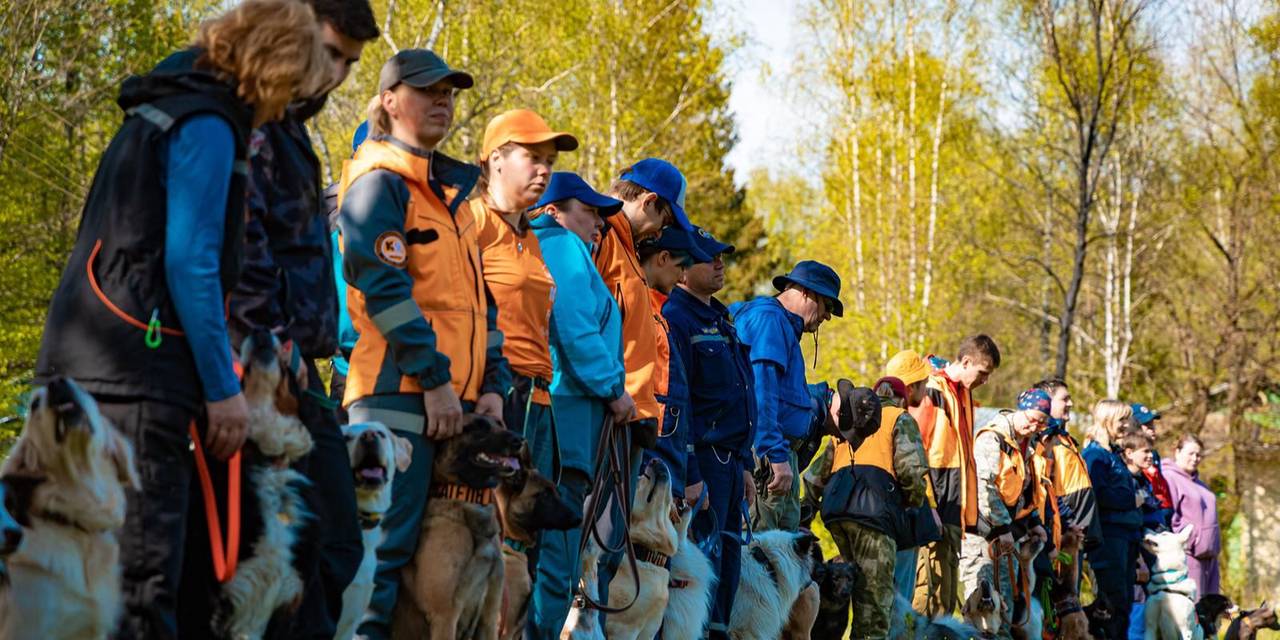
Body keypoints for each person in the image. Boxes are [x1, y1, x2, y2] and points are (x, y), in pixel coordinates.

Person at [31, 3, 330, 637]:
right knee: (142, 585)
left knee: (78, 580)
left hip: (85, 365)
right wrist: (222, 390)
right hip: (138, 381)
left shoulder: (161, 106)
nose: (289, 106)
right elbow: (192, 262)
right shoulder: (208, 122)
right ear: (276, 67)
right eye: (295, 87)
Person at [337, 49, 511, 640]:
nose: (443, 100)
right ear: (389, 101)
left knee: (434, 571)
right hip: (397, 397)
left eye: (449, 92)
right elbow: (382, 289)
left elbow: (481, 305)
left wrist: (492, 388)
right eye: (427, 90)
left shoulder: (452, 197)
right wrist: (435, 382)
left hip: (455, 406)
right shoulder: (378, 183)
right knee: (379, 561)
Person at [224, 2, 378, 634]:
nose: (336, 73)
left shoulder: (290, 128)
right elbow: (238, 243)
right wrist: (266, 341)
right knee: (260, 553)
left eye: (349, 62)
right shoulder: (244, 120)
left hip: (298, 365)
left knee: (331, 545)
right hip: (251, 364)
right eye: (330, 53)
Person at [527, 172, 634, 639]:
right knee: (560, 537)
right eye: (589, 211)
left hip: (567, 402)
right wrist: (614, 389)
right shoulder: (562, 247)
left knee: (559, 539)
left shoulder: (555, 246)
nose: (599, 222)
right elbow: (574, 328)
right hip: (570, 405)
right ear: (554, 211)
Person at [663, 226, 757, 640]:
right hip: (703, 464)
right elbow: (679, 400)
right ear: (683, 269)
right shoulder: (677, 319)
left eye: (721, 256)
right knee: (700, 573)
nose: (719, 264)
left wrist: (746, 465)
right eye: (708, 257)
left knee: (727, 571)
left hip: (731, 466)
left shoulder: (721, 319)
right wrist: (690, 471)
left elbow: (739, 397)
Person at [468, 109, 578, 433]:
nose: (545, 170)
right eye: (533, 157)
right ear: (496, 159)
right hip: (495, 393)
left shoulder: (529, 237)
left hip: (539, 396)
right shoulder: (470, 222)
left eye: (550, 161)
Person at [731, 260, 842, 532]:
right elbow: (761, 392)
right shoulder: (769, 320)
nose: (827, 316)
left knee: (783, 548)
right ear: (806, 292)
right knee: (762, 546)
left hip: (779, 455)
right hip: (768, 457)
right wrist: (775, 454)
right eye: (827, 305)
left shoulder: (782, 325)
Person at [821, 375, 932, 640]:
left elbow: (819, 473)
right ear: (901, 399)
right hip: (873, 516)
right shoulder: (900, 418)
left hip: (837, 514)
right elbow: (911, 471)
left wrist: (809, 507)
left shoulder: (850, 415)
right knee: (873, 607)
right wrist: (912, 503)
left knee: (854, 592)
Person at [912, 335, 1001, 616]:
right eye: (983, 372)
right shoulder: (932, 391)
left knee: (946, 599)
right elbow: (914, 452)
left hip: (952, 513)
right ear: (966, 361)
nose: (985, 381)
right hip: (933, 511)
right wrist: (928, 506)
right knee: (926, 594)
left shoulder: (961, 396)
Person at [962, 388, 1051, 640]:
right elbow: (984, 487)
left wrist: (1032, 521)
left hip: (1007, 539)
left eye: (1041, 423)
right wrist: (1002, 528)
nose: (1034, 427)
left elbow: (1019, 490)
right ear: (1020, 409)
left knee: (1004, 610)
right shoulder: (992, 439)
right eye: (1032, 419)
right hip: (983, 538)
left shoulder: (1026, 446)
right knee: (980, 611)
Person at [637, 227, 709, 492]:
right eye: (681, 267)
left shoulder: (660, 312)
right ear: (663, 258)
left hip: (667, 447)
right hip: (650, 445)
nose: (682, 277)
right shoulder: (639, 308)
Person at [1082, 399, 1143, 640]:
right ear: (1107, 421)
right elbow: (1097, 493)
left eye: (1128, 419)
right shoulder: (1095, 455)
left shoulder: (1113, 454)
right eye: (1122, 419)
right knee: (1111, 604)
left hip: (1126, 536)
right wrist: (1131, 499)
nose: (1128, 424)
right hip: (1109, 537)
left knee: (1124, 603)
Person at [1162, 433, 1220, 596]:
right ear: (1177, 452)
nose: (1195, 458)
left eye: (1198, 455)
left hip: (1209, 557)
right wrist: (1192, 540)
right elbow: (1170, 515)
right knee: (1193, 605)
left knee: (1212, 608)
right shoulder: (1169, 477)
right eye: (1191, 453)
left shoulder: (1201, 485)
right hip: (1189, 556)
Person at [1132, 403, 1173, 515]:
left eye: (1152, 424)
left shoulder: (1154, 454)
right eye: (1147, 425)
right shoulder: (1130, 455)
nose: (1152, 429)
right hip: (1146, 515)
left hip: (1163, 512)